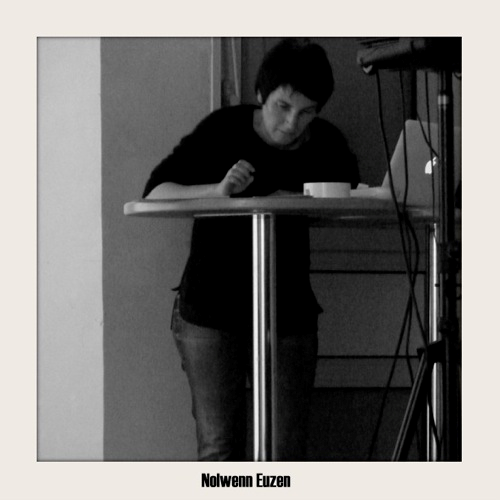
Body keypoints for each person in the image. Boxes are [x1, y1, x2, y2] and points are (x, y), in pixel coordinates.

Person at [142, 38, 360, 461]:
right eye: (283, 106)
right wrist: (218, 191)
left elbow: (353, 194)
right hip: (211, 306)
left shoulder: (326, 142)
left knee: (284, 450)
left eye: (307, 112)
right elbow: (155, 192)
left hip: (287, 308)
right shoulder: (223, 129)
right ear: (261, 94)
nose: (292, 123)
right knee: (220, 447)